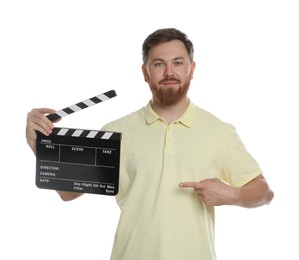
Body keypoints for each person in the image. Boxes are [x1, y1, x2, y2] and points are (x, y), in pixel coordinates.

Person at [26, 28, 274, 260]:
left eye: (178, 63)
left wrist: (234, 194)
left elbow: (264, 192)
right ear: (145, 73)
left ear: (192, 69)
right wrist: (39, 145)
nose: (169, 72)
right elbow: (68, 193)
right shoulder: (116, 132)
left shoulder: (220, 132)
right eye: (159, 64)